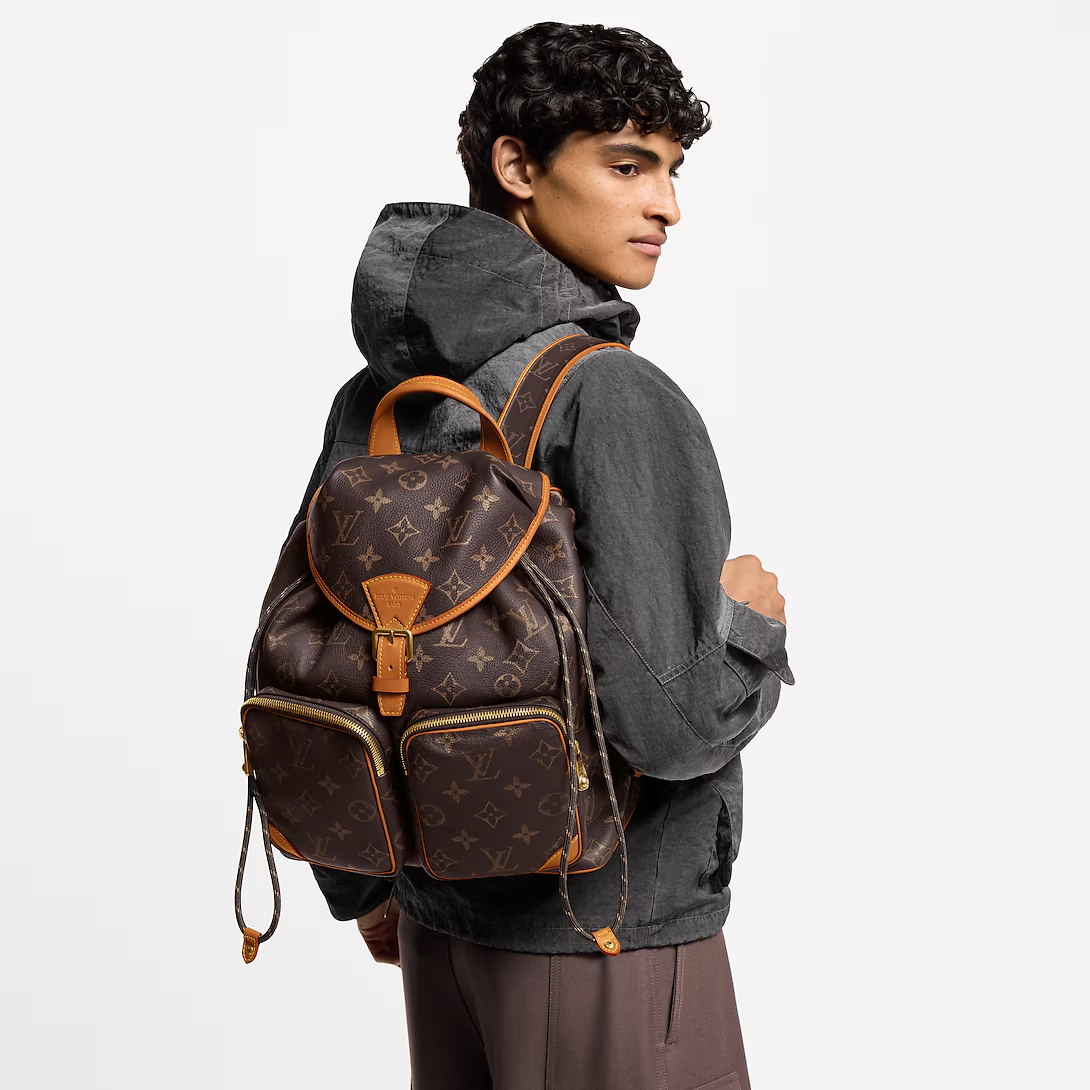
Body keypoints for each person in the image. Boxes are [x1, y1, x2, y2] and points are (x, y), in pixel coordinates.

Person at [285, 21, 793, 1090]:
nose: (667, 206)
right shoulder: (610, 394)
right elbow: (669, 724)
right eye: (627, 166)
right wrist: (751, 624)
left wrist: (367, 883)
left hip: (435, 926)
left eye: (673, 170)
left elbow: (327, 648)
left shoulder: (380, 395)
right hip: (609, 932)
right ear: (516, 166)